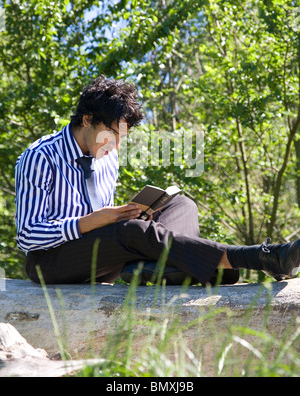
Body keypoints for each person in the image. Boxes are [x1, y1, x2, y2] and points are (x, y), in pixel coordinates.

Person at [15, 75, 300, 286]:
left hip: (100, 256)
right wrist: (96, 220)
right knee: (132, 231)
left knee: (182, 205)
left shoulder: (108, 157)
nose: (116, 147)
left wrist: (132, 213)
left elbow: (107, 231)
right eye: (112, 135)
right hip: (51, 263)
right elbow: (27, 236)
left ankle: (157, 267)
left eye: (121, 139)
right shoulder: (40, 157)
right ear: (87, 119)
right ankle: (255, 257)